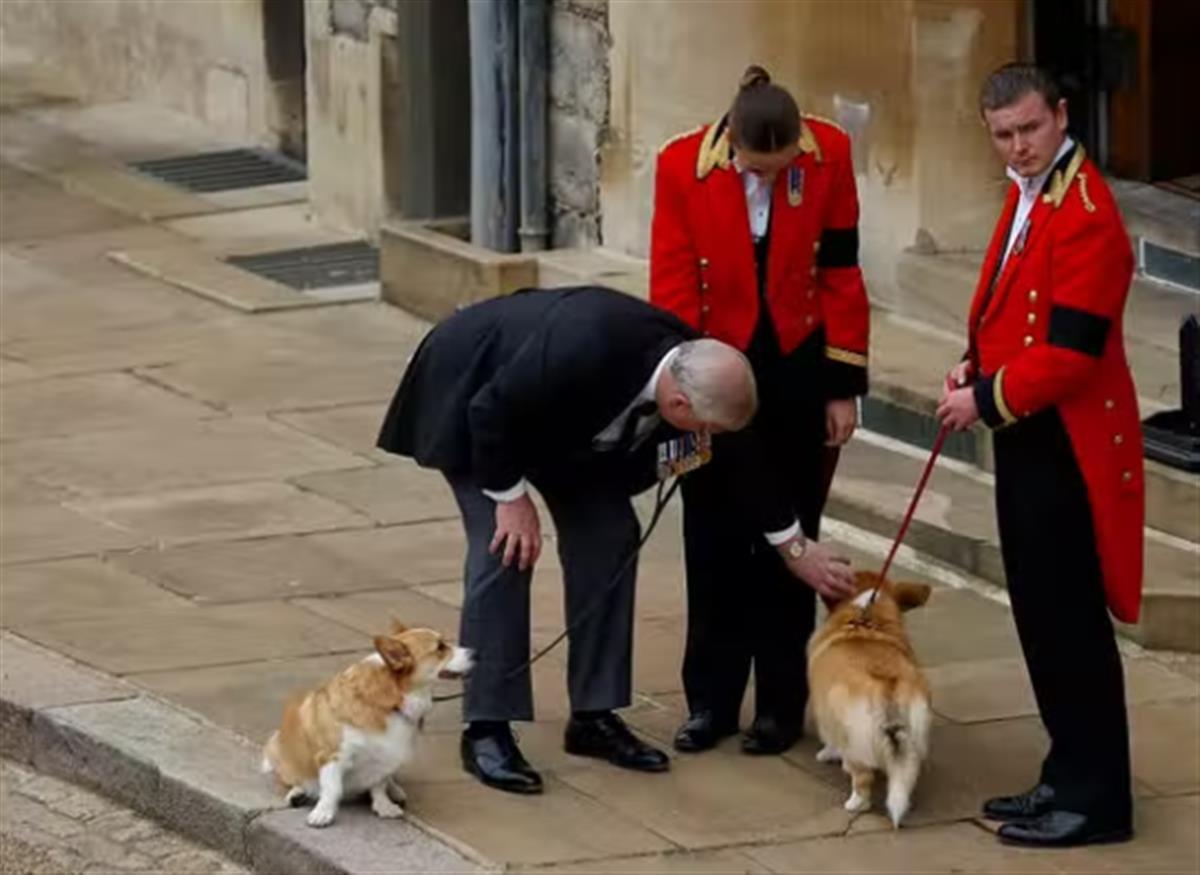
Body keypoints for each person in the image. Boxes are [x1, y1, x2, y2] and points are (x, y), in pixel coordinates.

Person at [377, 285, 853, 794]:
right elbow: (491, 410)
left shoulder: (701, 369)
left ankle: (593, 716)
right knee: (506, 547)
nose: (707, 439)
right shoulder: (585, 346)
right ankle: (486, 728)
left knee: (611, 532)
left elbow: (743, 458)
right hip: (474, 393)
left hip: (567, 430)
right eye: (704, 429)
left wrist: (795, 548)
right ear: (676, 402)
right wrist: (512, 500)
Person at [937, 63, 1142, 848]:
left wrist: (983, 398)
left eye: (1029, 129)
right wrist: (973, 362)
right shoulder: (1034, 195)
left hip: (1069, 442)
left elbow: (1072, 353)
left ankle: (1099, 799)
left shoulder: (1087, 211)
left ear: (1060, 116)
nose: (1018, 148)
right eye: (1003, 136)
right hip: (1030, 433)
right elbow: (1008, 304)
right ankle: (1065, 770)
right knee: (1038, 613)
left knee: (1070, 621)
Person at [650, 65, 869, 756]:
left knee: (793, 531)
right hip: (714, 363)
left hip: (797, 367)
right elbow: (672, 282)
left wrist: (842, 385)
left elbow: (841, 270)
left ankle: (779, 705)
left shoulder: (829, 152)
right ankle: (709, 702)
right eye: (759, 172)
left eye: (781, 172)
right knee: (711, 536)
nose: (771, 183)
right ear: (735, 145)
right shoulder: (679, 166)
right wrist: (690, 390)